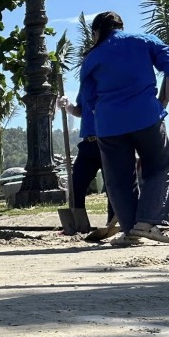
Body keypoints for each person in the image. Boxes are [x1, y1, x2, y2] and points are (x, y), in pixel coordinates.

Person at [79, 11, 169, 247]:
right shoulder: (143, 41)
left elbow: (89, 98)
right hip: (146, 116)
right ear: (121, 26)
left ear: (96, 33)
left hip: (108, 125)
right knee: (159, 166)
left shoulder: (91, 57)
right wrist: (163, 101)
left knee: (118, 179)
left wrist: (105, 116)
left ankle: (131, 231)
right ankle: (147, 222)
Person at [58, 94, 116, 239]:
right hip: (88, 143)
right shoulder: (85, 86)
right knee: (76, 184)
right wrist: (68, 106)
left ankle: (113, 224)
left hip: (110, 141)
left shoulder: (110, 84)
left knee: (112, 186)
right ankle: (78, 225)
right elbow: (80, 111)